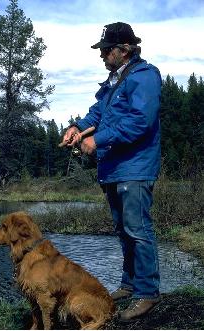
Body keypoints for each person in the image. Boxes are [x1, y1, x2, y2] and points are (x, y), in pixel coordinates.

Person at [61, 22, 161, 321]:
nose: (102, 55)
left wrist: (98, 139)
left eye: (106, 50)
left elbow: (140, 121)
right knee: (123, 230)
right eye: (102, 50)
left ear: (125, 50)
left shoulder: (144, 76)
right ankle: (130, 285)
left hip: (135, 168)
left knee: (137, 230)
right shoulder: (113, 81)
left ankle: (147, 293)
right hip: (113, 169)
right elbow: (98, 114)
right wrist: (77, 128)